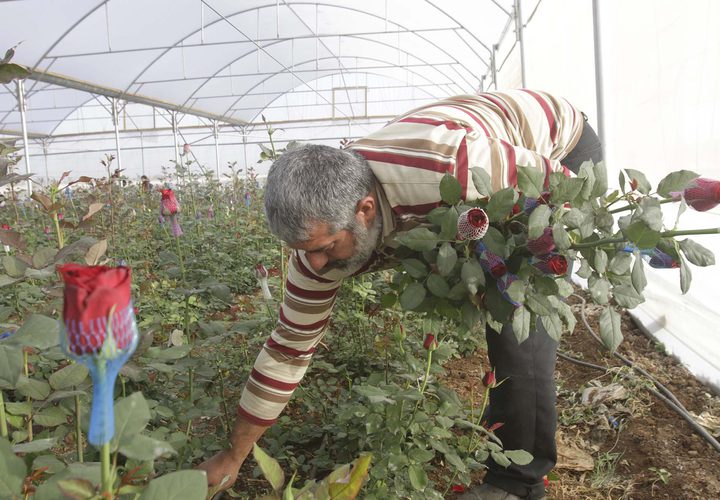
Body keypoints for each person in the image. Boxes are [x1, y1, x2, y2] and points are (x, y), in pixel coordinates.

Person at [198, 90, 603, 500]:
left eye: (325, 248)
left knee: (518, 325)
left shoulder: (452, 170)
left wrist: (522, 264)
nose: (315, 265)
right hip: (455, 178)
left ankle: (519, 484)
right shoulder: (316, 247)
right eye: (304, 252)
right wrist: (233, 455)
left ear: (366, 210)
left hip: (555, 148)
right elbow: (288, 350)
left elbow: (573, 192)